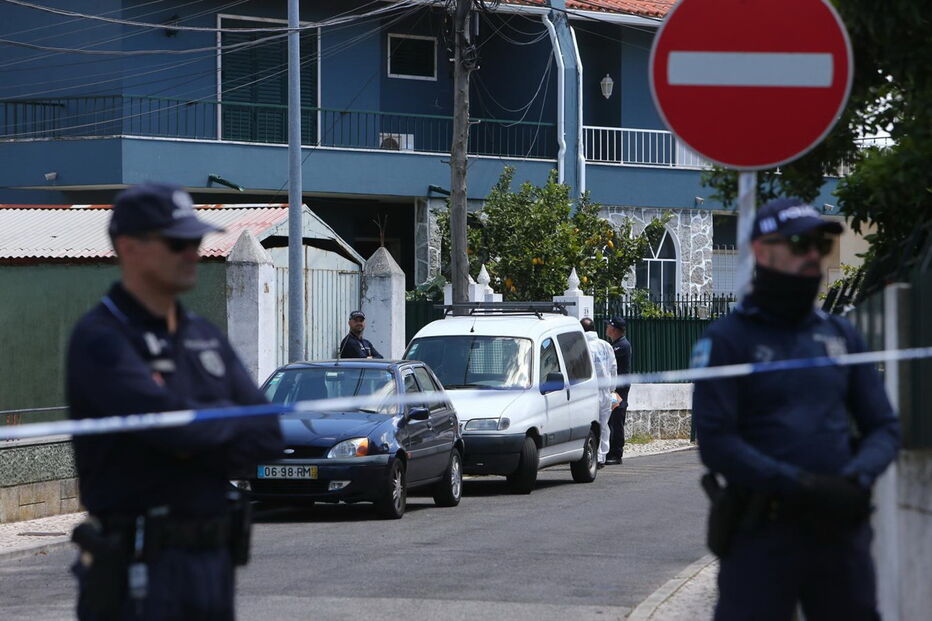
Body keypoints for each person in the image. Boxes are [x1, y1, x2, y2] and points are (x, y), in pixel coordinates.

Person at [66, 183, 284, 620]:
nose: (192, 252)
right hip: (141, 569)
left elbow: (267, 433)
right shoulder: (103, 339)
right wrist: (213, 423)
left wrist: (195, 431)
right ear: (130, 247)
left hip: (212, 564)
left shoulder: (202, 334)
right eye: (177, 242)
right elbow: (172, 428)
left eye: (195, 241)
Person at [691, 197, 900, 620]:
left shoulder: (842, 335)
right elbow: (717, 443)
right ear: (763, 251)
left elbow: (884, 426)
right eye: (799, 243)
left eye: (820, 245)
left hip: (839, 530)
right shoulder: (728, 339)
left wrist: (856, 480)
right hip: (762, 533)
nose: (812, 255)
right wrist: (800, 485)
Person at [581, 318, 617, 468]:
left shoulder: (584, 346)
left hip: (591, 392)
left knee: (592, 426)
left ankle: (595, 456)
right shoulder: (606, 345)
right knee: (604, 425)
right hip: (606, 391)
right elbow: (613, 367)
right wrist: (612, 389)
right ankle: (602, 456)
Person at [605, 316, 631, 465]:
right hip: (615, 388)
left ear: (614, 329)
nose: (606, 328)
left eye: (608, 326)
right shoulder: (615, 344)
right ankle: (611, 451)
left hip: (618, 390)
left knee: (616, 419)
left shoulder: (621, 346)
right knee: (612, 418)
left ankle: (616, 453)